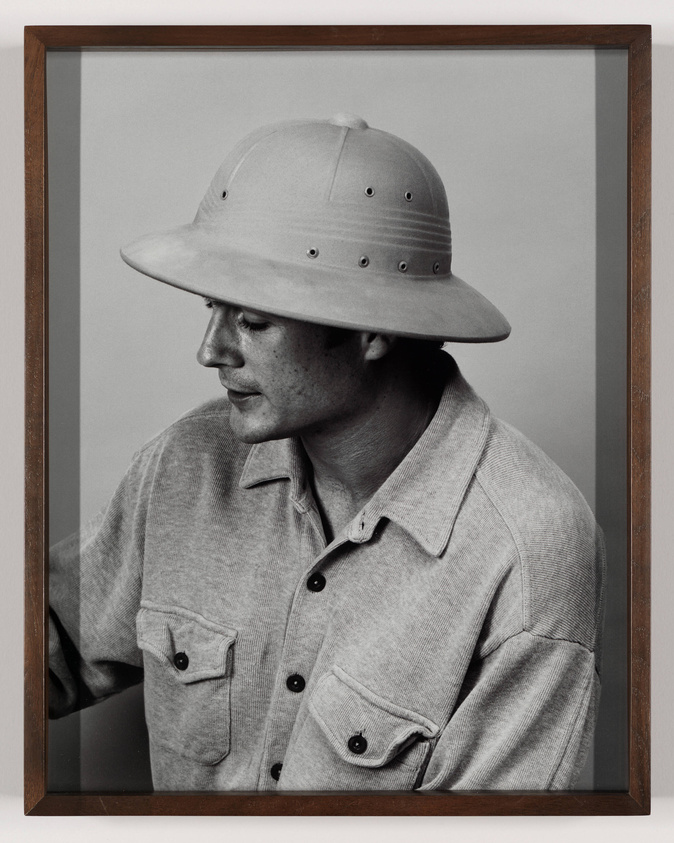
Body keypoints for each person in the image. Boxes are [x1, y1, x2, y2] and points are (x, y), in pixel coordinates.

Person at [49, 114, 605, 791]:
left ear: (371, 331)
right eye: (212, 311)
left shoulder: (526, 548)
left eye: (253, 321)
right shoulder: (188, 463)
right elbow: (50, 645)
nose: (210, 350)